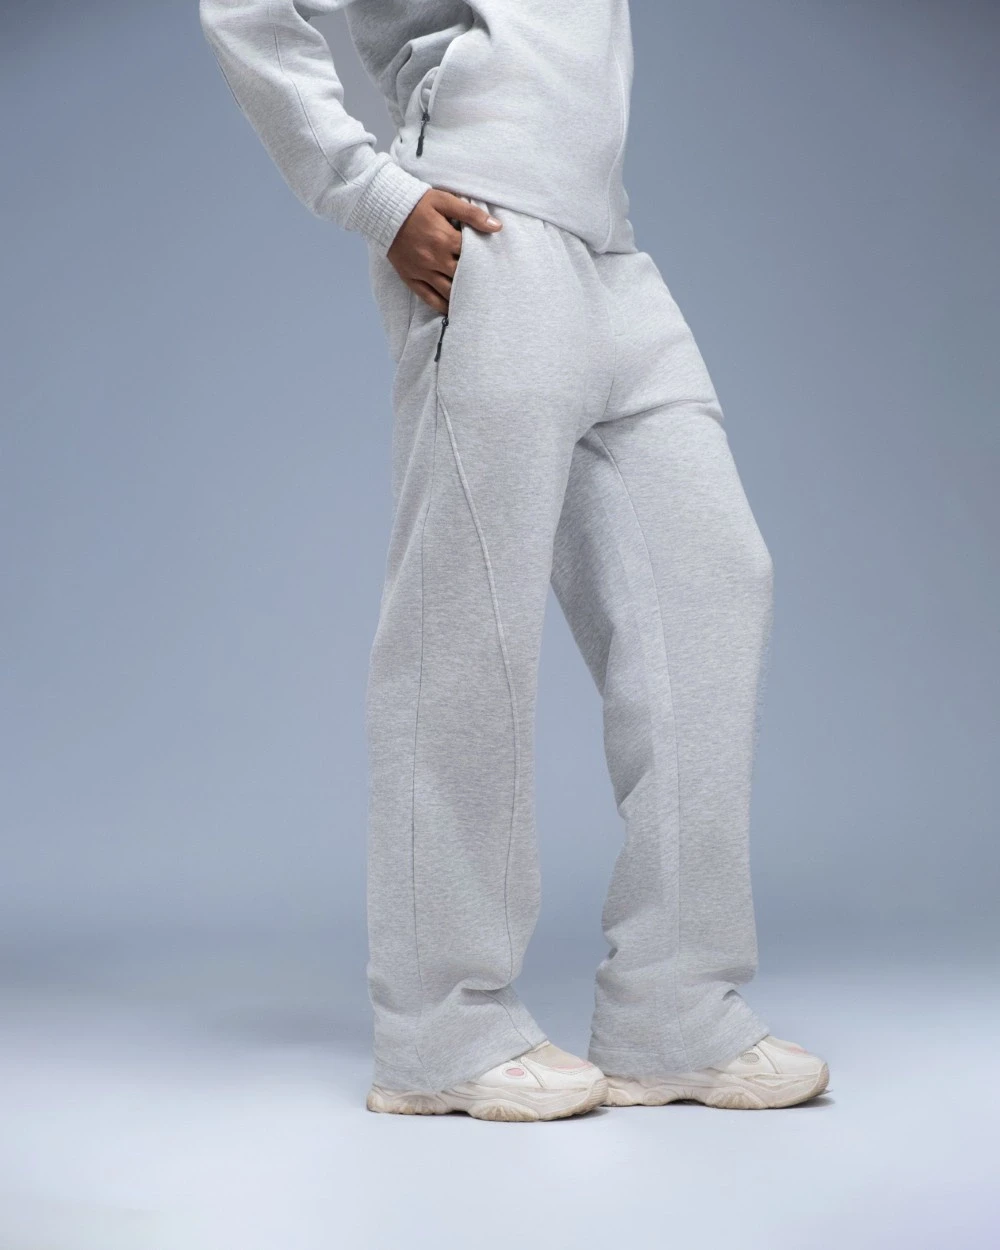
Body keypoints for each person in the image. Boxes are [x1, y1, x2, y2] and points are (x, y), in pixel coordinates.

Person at [199, 0, 829, 1122]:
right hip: (483, 233)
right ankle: (439, 1030)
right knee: (465, 628)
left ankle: (672, 1008)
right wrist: (373, 194)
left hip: (610, 249)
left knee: (716, 586)